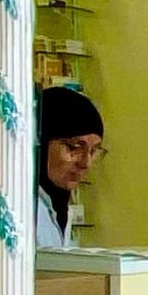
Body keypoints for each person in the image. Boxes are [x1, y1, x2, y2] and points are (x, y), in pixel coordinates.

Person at [35, 84, 104, 249]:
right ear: (42, 144)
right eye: (74, 147)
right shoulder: (21, 208)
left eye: (93, 151)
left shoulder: (63, 209)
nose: (85, 163)